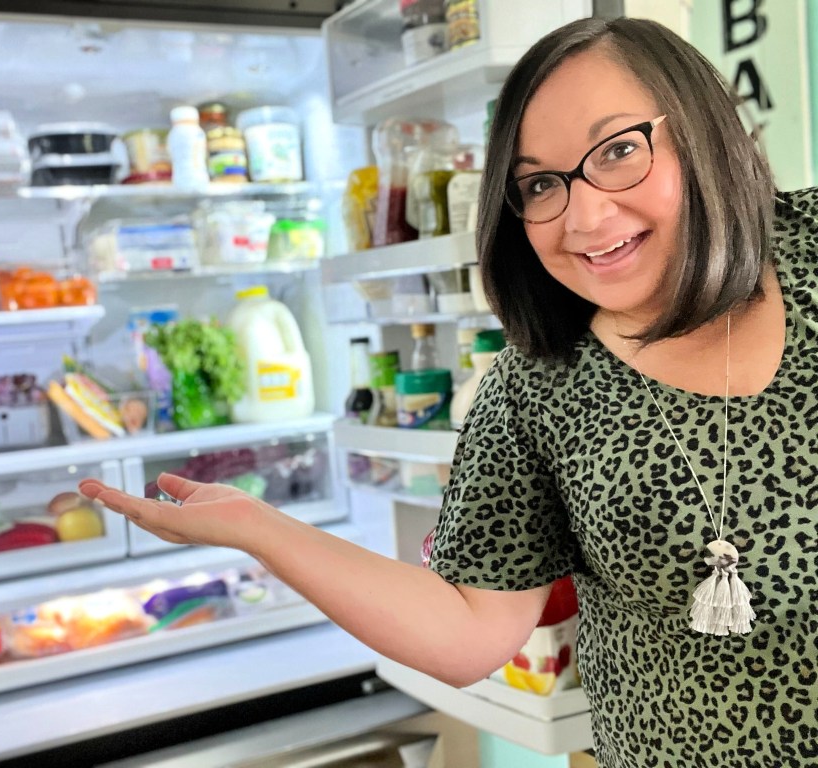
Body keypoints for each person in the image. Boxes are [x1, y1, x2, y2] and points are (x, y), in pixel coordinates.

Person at [80, 16, 817, 768]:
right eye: (539, 185)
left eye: (620, 150)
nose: (585, 217)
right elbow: (470, 632)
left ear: (699, 126)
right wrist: (263, 529)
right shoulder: (536, 388)